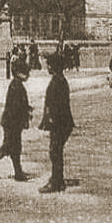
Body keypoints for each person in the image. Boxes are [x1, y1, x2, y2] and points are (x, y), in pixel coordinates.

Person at [0, 57, 31, 181]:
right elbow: (16, 106)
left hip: (11, 121)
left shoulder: (16, 84)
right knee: (9, 145)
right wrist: (25, 112)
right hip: (12, 122)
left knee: (15, 147)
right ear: (19, 72)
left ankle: (18, 172)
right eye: (26, 72)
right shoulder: (16, 86)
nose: (28, 75)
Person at [38, 52, 75, 193]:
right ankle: (57, 179)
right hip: (61, 122)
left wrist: (52, 119)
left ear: (53, 66)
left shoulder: (58, 81)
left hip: (60, 123)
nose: (47, 67)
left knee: (55, 151)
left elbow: (58, 104)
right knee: (56, 151)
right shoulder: (59, 79)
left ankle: (56, 182)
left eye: (49, 64)